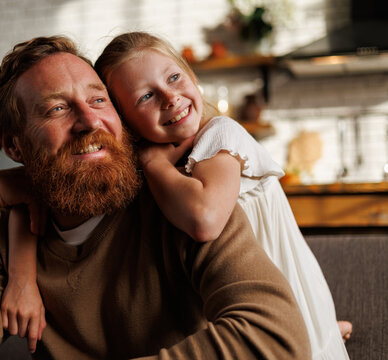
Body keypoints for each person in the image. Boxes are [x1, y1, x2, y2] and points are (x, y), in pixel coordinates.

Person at [0, 35, 311, 360]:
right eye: (57, 109)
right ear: (15, 147)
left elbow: (276, 338)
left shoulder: (178, 199)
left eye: (99, 100)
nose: (89, 121)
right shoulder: (13, 227)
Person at [92, 31, 351, 359]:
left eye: (174, 77)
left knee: (310, 343)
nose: (170, 97)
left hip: (275, 299)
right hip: (225, 302)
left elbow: (205, 220)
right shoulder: (153, 166)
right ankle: (326, 325)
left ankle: (322, 326)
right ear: (124, 122)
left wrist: (152, 163)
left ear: (191, 75)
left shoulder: (220, 135)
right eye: (146, 97)